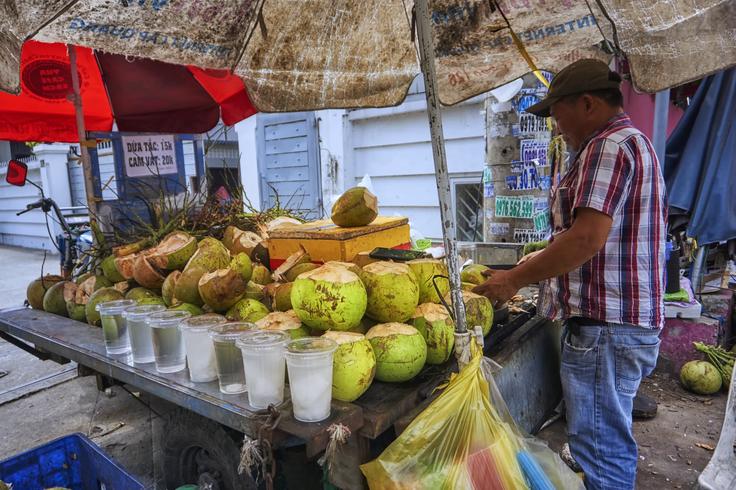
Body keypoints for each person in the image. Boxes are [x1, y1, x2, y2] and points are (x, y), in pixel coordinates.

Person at [473, 59, 666, 489]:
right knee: (605, 439)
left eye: (557, 114)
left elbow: (585, 240)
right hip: (622, 326)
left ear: (587, 104)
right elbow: (596, 237)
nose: (556, 127)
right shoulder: (635, 143)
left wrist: (514, 280)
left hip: (606, 329)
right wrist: (529, 263)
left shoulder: (607, 147)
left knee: (602, 451)